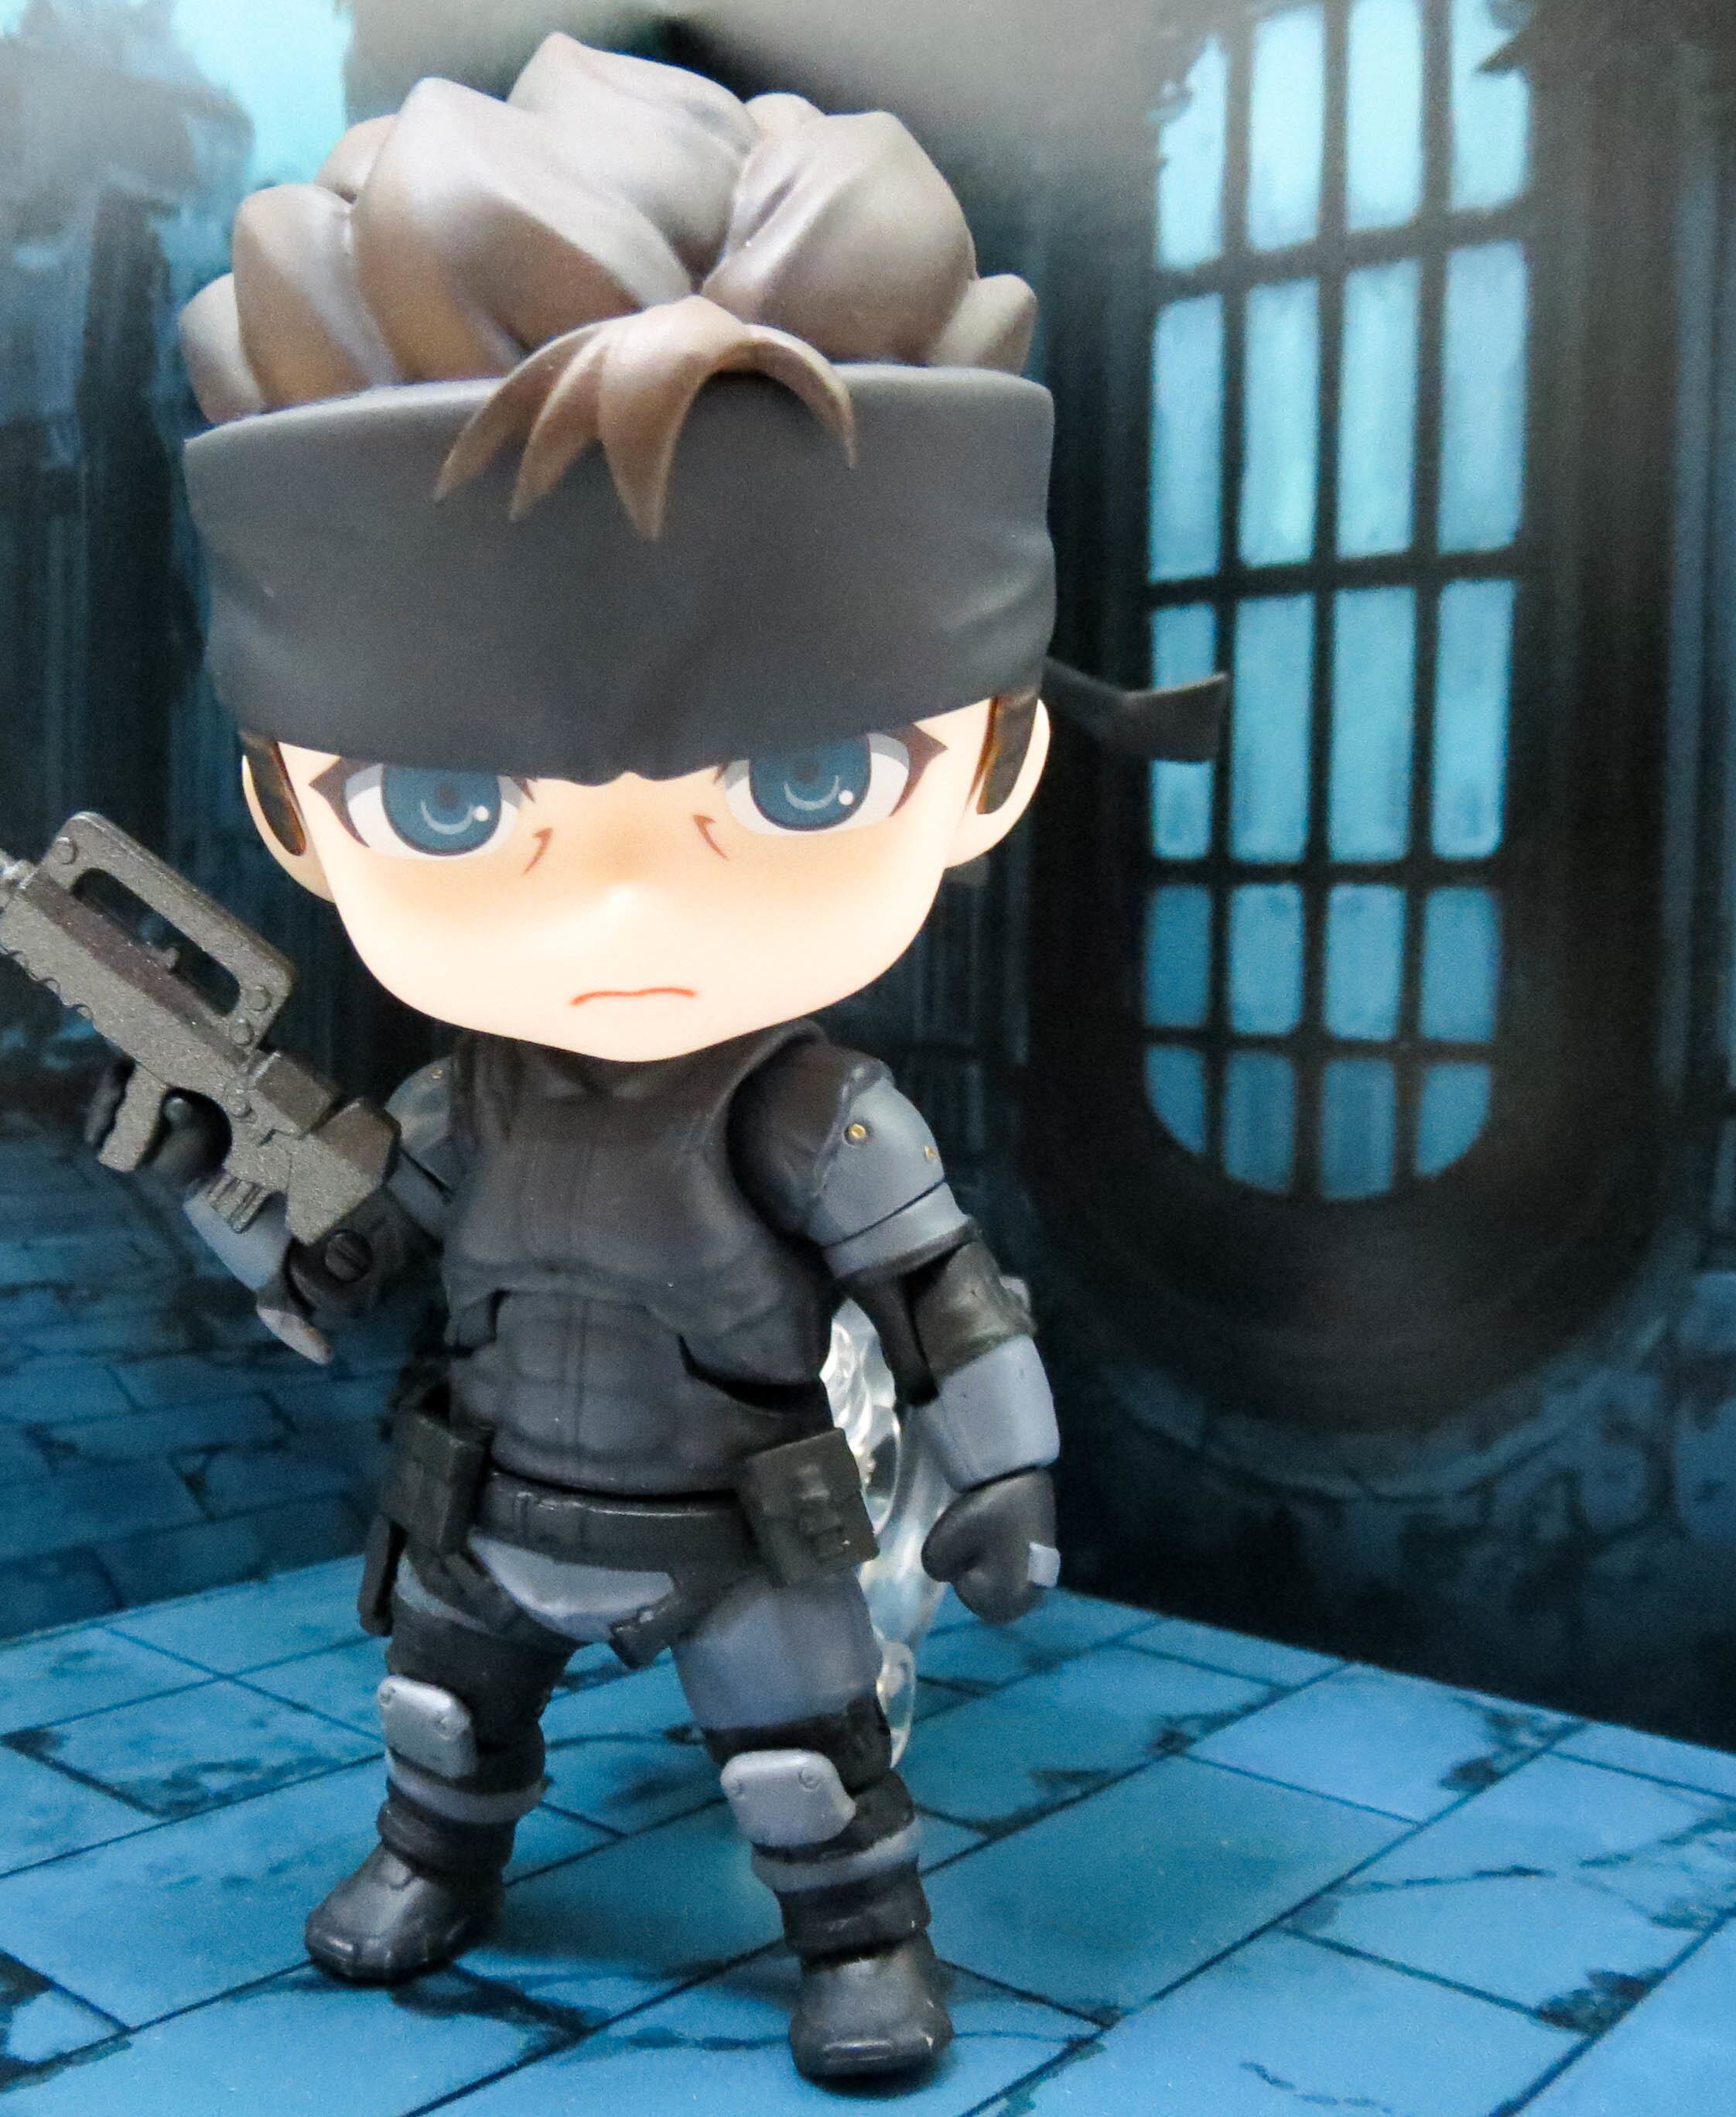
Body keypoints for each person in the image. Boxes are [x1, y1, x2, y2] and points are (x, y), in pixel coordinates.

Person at [169, 34, 1065, 2084]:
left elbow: (943, 1295)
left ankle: (858, 1945)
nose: (628, 908)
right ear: (297, 810)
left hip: (736, 1519)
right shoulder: (464, 1102)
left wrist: (1005, 1472)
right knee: (437, 1720)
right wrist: (248, 1205)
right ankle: (435, 1865)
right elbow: (353, 1255)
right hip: (486, 1496)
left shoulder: (810, 1115)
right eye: (456, 806)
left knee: (802, 1764)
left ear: (988, 765)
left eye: (807, 782)